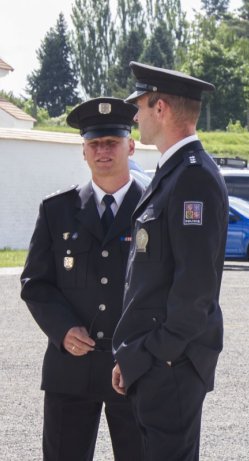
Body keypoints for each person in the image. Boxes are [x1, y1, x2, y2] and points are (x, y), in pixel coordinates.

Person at [111, 61, 229, 460]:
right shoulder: (173, 172)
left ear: (160, 108)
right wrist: (132, 354)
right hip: (156, 359)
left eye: (140, 106)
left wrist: (149, 354)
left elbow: (195, 289)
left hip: (169, 364)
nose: (136, 116)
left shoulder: (191, 176)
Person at [20, 97, 144, 460]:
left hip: (134, 367)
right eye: (94, 144)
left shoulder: (154, 209)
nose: (103, 151)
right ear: (84, 152)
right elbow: (36, 283)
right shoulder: (57, 210)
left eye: (112, 142)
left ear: (130, 145)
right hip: (70, 369)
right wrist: (62, 329)